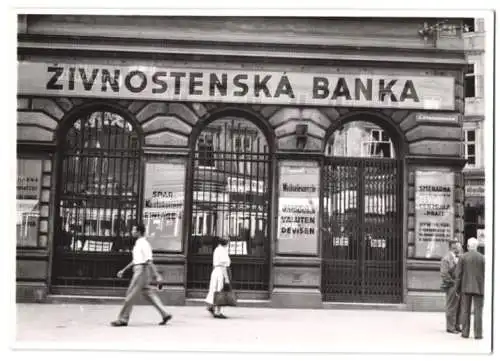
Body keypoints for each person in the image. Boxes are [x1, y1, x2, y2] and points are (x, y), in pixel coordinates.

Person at [110, 223, 172, 327]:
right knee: (149, 294)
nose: (132, 232)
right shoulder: (139, 243)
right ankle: (165, 314)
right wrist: (124, 270)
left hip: (141, 270)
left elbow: (149, 261)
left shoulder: (144, 244)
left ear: (138, 232)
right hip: (140, 269)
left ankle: (123, 319)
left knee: (130, 294)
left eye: (133, 230)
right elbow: (136, 260)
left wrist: (157, 275)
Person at [456, 237, 485, 340]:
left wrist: (457, 289)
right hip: (479, 288)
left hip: (465, 287)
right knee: (478, 312)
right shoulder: (483, 258)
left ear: (468, 246)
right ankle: (478, 334)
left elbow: (458, 274)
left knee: (465, 311)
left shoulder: (463, 257)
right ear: (476, 246)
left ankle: (465, 333)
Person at [205, 238, 231, 319]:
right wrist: (226, 278)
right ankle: (218, 311)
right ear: (226, 243)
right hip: (220, 272)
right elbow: (223, 265)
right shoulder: (223, 251)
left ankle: (211, 306)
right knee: (220, 291)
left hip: (215, 271)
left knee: (214, 289)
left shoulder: (217, 249)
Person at [440, 239, 462, 333]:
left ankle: (456, 325)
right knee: (451, 306)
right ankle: (450, 327)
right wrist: (453, 282)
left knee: (458, 306)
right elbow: (444, 274)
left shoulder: (458, 257)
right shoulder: (446, 258)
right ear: (452, 247)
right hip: (452, 285)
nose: (459, 248)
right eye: (457, 246)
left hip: (458, 285)